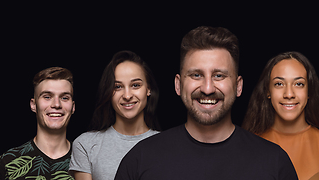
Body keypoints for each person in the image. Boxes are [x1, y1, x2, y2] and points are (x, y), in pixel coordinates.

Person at [115, 26, 297, 180]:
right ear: (178, 85)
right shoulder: (140, 159)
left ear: (238, 86)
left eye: (219, 75)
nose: (208, 88)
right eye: (196, 75)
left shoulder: (275, 162)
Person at [243, 52, 319, 180]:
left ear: (309, 92)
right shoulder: (248, 147)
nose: (289, 94)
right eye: (279, 84)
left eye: (299, 84)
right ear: (268, 91)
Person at [69, 50, 160, 180]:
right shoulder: (86, 144)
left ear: (148, 89)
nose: (127, 95)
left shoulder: (167, 145)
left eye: (135, 85)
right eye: (117, 87)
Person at [0, 67, 75, 180]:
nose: (56, 104)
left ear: (73, 107)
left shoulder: (88, 161)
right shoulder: (7, 162)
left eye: (64, 98)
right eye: (47, 97)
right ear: (33, 105)